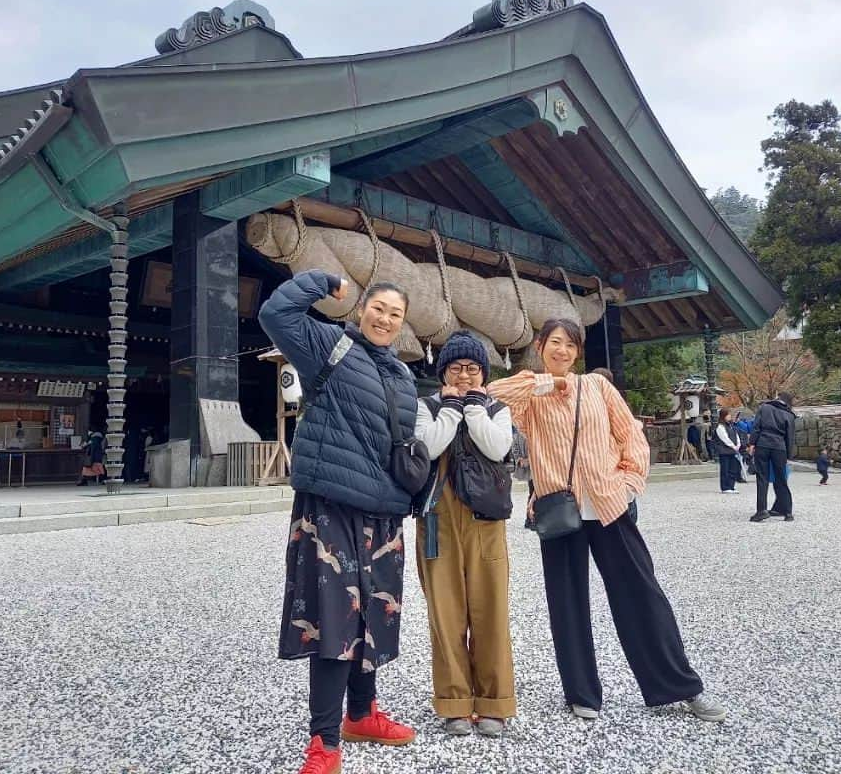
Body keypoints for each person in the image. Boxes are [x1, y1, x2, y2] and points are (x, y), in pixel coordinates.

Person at [487, 318, 726, 725]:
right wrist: (547, 383)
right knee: (567, 603)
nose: (562, 351)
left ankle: (681, 686)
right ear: (541, 346)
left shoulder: (598, 387)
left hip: (608, 504)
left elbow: (630, 434)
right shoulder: (532, 394)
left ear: (579, 352)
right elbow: (491, 394)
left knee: (642, 594)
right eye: (554, 343)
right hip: (558, 507)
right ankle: (582, 692)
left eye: (570, 345)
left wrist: (630, 481)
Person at [258, 271, 419, 774]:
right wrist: (320, 282)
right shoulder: (328, 344)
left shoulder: (403, 375)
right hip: (330, 505)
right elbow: (274, 315)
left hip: (384, 512)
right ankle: (324, 742)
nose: (385, 319)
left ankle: (362, 714)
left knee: (374, 614)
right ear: (362, 309)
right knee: (335, 619)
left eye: (396, 314)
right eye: (379, 308)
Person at [414, 332, 515, 737]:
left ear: (484, 373)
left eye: (473, 369)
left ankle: (494, 701)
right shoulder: (426, 408)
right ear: (443, 372)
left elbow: (496, 447)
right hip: (437, 517)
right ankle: (454, 701)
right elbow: (429, 445)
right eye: (456, 368)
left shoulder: (498, 408)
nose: (465, 375)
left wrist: (474, 407)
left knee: (491, 610)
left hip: (485, 519)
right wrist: (453, 407)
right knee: (446, 613)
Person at [748, 392, 796, 522]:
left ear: (778, 398)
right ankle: (788, 512)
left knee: (762, 478)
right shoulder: (789, 415)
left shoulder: (765, 407)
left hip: (763, 444)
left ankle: (761, 510)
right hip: (780, 446)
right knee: (781, 479)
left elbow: (756, 427)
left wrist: (752, 443)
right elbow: (790, 437)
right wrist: (788, 455)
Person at [714, 408, 740, 494]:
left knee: (733, 469)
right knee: (725, 469)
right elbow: (724, 438)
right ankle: (725, 487)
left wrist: (738, 445)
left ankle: (731, 486)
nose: (730, 416)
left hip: (732, 450)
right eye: (728, 415)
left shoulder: (731, 426)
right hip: (724, 451)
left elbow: (736, 436)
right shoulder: (720, 427)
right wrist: (733, 446)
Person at [731, 411, 749, 483]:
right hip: (740, 444)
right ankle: (738, 476)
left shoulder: (738, 425)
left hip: (740, 444)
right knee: (739, 462)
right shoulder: (740, 425)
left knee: (738, 462)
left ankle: (738, 476)